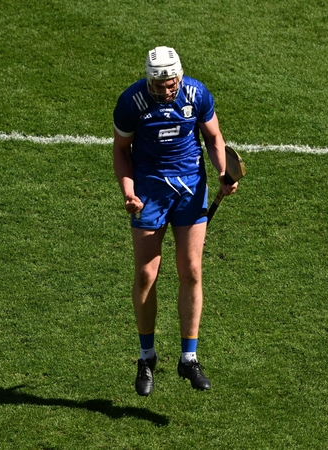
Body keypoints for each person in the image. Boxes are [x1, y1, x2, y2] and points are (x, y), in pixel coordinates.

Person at [112, 46, 237, 396]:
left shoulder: (197, 94)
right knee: (146, 273)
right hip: (150, 191)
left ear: (179, 76)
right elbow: (121, 150)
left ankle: (189, 358)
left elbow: (213, 138)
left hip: (190, 187)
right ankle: (146, 356)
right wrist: (128, 191)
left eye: (171, 83)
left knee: (191, 270)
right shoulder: (132, 102)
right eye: (159, 84)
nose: (167, 90)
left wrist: (225, 174)